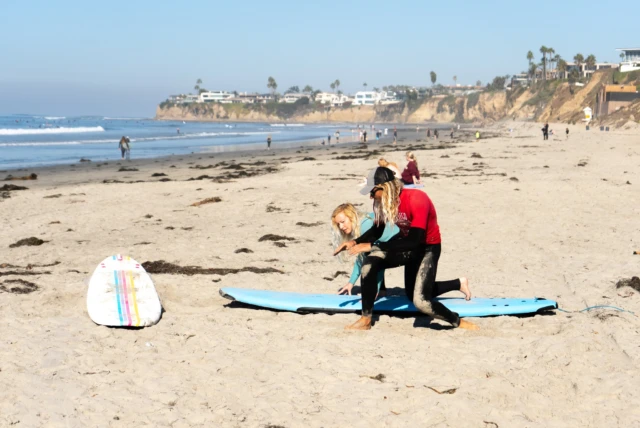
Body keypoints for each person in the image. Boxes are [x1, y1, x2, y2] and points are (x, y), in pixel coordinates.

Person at [334, 167, 473, 331]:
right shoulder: (381, 202)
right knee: (369, 265)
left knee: (421, 301)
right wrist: (355, 242)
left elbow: (414, 241)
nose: (371, 196)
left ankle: (458, 321)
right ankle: (366, 319)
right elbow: (377, 230)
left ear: (384, 188)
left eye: (372, 192)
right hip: (405, 243)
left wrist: (371, 246)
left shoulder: (417, 199)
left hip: (427, 247)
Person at [331, 203, 399, 297]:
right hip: (389, 246)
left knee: (372, 258)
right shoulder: (361, 224)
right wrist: (351, 283)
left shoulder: (365, 225)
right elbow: (361, 257)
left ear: (352, 217)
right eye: (338, 224)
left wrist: (374, 290)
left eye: (343, 221)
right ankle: (382, 291)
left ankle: (378, 291)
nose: (341, 227)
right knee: (371, 253)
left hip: (402, 247)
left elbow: (377, 260)